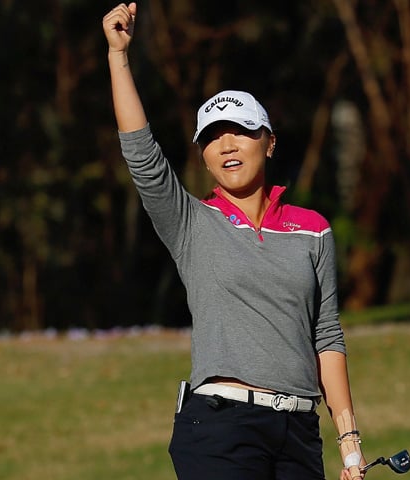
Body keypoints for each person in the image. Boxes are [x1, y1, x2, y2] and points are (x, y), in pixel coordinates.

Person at [102, 3, 367, 479]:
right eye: (212, 137)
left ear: (268, 142)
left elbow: (326, 336)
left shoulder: (313, 229)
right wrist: (118, 55)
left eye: (240, 132)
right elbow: (142, 154)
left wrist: (349, 445)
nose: (227, 145)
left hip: (298, 435)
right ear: (202, 155)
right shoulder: (191, 223)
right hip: (221, 428)